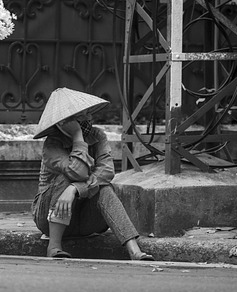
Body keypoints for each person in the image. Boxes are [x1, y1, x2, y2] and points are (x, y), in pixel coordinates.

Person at [31, 87, 154, 260]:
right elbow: (77, 172)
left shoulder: (98, 136)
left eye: (88, 113)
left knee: (104, 189)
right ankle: (54, 246)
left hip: (87, 220)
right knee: (65, 179)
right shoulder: (52, 145)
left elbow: (107, 171)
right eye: (81, 115)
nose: (89, 118)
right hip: (48, 217)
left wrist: (75, 189)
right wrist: (77, 136)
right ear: (63, 122)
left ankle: (135, 251)